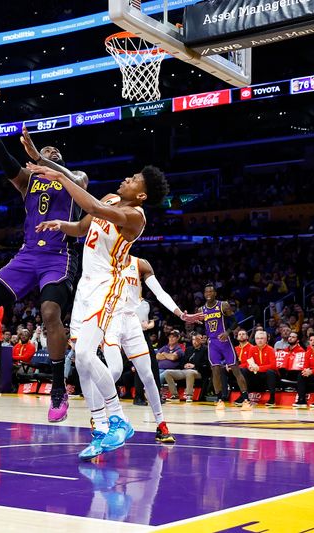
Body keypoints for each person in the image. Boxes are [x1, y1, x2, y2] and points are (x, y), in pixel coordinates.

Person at [0, 93, 88, 424]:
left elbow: (75, 178)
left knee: (50, 312)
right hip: (28, 256)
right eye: (46, 153)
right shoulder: (28, 182)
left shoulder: (75, 179)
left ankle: (58, 389)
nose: (49, 155)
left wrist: (41, 156)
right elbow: (3, 159)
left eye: (54, 154)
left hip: (58, 256)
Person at [31, 161, 170, 459]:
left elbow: (92, 206)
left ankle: (118, 418)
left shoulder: (135, 217)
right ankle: (101, 430)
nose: (126, 178)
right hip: (84, 285)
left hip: (106, 286)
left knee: (83, 354)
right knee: (81, 361)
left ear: (142, 195)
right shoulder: (109, 198)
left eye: (133, 179)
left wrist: (60, 177)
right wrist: (61, 225)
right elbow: (83, 227)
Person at [100, 255, 201, 441]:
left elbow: (160, 293)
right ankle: (98, 420)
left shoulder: (140, 263)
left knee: (148, 375)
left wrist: (180, 314)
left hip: (132, 321)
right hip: (110, 320)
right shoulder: (103, 259)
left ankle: (161, 425)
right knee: (114, 371)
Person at [201, 283, 251, 410]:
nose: (208, 294)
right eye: (206, 292)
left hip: (225, 341)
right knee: (215, 371)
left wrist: (227, 332)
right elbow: (201, 325)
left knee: (235, 369)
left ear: (215, 293)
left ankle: (246, 399)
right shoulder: (201, 310)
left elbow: (235, 322)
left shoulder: (223, 305)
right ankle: (219, 399)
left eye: (211, 292)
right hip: (212, 343)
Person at [164, 332, 209, 402]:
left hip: (198, 371)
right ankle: (174, 394)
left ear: (200, 340)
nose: (195, 341)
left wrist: (194, 365)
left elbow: (206, 364)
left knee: (190, 372)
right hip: (185, 370)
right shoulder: (189, 349)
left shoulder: (205, 350)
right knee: (167, 372)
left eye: (196, 340)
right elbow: (182, 362)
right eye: (193, 340)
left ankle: (189, 395)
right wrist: (184, 365)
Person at [239, 331, 278, 407]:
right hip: (256, 374)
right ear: (255, 339)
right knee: (244, 370)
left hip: (267, 375)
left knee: (270, 372)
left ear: (266, 340)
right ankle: (244, 397)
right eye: (257, 338)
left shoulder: (270, 349)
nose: (259, 340)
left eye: (262, 338)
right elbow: (248, 362)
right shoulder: (252, 349)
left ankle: (272, 398)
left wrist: (259, 368)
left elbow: (273, 365)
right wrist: (250, 367)